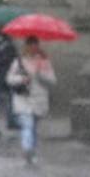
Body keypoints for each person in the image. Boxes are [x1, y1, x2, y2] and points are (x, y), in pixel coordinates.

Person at [6, 36, 56, 164]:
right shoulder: (19, 61)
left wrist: (40, 75)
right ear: (26, 47)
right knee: (27, 125)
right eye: (30, 46)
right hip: (23, 99)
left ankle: (31, 151)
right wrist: (22, 79)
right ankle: (27, 150)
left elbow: (52, 80)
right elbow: (9, 79)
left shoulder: (44, 62)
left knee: (33, 127)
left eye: (35, 46)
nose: (33, 49)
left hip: (39, 99)